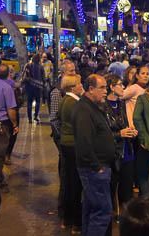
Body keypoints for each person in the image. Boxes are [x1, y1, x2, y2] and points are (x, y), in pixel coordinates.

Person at [72, 74, 116, 236]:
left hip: (98, 167)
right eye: (102, 87)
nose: (106, 91)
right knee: (102, 211)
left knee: (91, 209)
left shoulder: (92, 106)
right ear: (91, 89)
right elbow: (84, 143)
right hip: (94, 170)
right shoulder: (84, 110)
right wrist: (97, 167)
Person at [104, 74, 138, 209]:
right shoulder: (103, 106)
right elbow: (103, 133)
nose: (123, 86)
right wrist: (120, 134)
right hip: (113, 153)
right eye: (119, 84)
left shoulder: (121, 103)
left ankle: (126, 215)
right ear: (112, 87)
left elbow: (123, 123)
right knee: (111, 187)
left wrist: (130, 130)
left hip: (127, 151)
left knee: (127, 187)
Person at [58, 73, 84, 233]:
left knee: (68, 182)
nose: (82, 87)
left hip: (66, 144)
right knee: (75, 184)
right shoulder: (73, 103)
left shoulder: (66, 101)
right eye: (80, 84)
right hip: (73, 145)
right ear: (73, 87)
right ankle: (75, 221)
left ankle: (67, 219)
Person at [23, 53, 45, 123]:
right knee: (38, 102)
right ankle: (35, 116)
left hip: (29, 86)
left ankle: (29, 118)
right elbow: (43, 77)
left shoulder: (28, 65)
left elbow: (24, 75)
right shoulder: (41, 67)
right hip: (38, 87)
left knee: (29, 102)